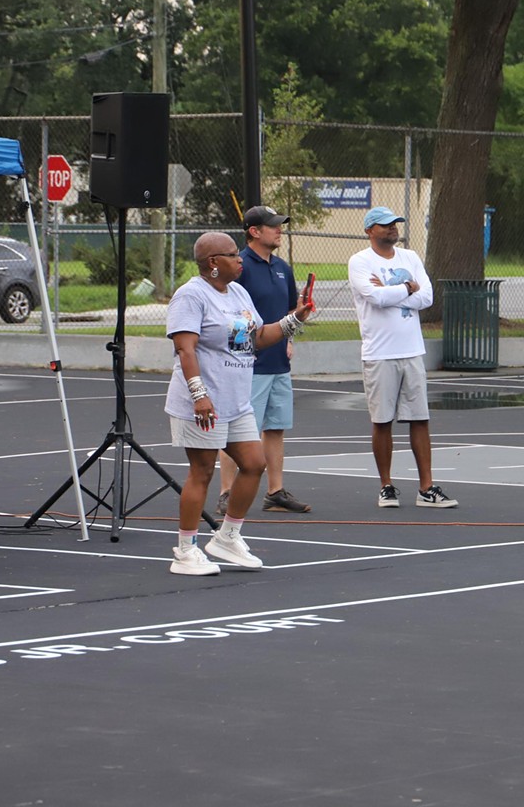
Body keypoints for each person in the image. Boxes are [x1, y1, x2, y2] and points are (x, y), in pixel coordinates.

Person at [164, 231, 313, 576]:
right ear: (213, 263)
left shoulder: (238, 292)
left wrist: (295, 319)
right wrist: (199, 396)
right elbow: (185, 349)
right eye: (233, 255)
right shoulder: (191, 296)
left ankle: (227, 536)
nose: (240, 259)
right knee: (201, 472)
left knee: (254, 462)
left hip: (235, 400)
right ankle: (185, 551)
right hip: (202, 402)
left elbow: (258, 338)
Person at [347, 206, 458, 509]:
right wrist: (407, 288)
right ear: (370, 230)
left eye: (395, 223)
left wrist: (396, 290)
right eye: (385, 225)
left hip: (412, 352)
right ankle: (386, 486)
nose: (392, 228)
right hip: (380, 353)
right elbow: (375, 298)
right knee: (382, 421)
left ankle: (426, 487)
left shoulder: (410, 258)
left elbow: (427, 297)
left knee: (420, 419)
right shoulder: (359, 261)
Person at [214, 206, 311, 517]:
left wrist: (290, 339)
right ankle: (227, 491)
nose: (279, 230)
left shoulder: (282, 266)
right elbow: (230, 311)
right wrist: (241, 352)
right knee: (238, 430)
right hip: (249, 365)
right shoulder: (239, 267)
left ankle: (275, 491)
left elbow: (288, 309)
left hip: (278, 362)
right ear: (254, 231)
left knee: (276, 427)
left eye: (280, 225)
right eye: (273, 226)